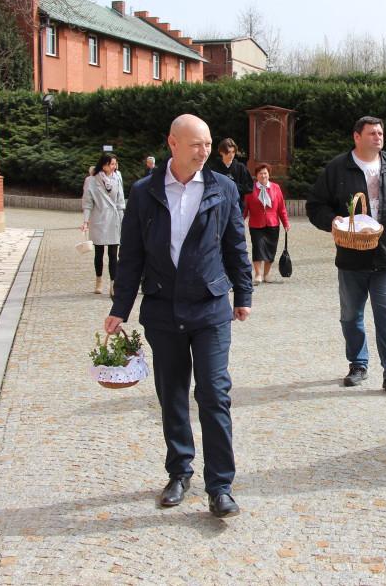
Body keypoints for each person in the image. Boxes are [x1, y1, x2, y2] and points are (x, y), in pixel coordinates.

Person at [105, 114, 253, 519]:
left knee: (214, 394)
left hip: (209, 307)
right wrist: (121, 308)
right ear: (172, 143)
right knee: (171, 396)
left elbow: (236, 245)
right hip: (162, 309)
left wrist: (244, 293)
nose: (205, 152)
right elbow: (130, 254)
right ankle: (179, 472)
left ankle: (220, 486)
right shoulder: (143, 192)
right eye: (196, 145)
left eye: (207, 144)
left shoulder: (223, 188)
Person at [306, 115, 386, 392]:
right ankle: (358, 364)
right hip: (352, 255)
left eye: (380, 132)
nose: (377, 137)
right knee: (351, 314)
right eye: (371, 133)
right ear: (357, 137)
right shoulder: (338, 167)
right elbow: (315, 205)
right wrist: (332, 221)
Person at [82, 152, 125, 295]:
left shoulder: (117, 177)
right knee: (99, 252)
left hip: (114, 219)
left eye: (115, 164)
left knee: (114, 253)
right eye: (111, 164)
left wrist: (122, 219)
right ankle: (98, 281)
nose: (114, 167)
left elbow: (120, 200)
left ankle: (113, 284)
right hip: (99, 219)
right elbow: (87, 202)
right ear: (104, 165)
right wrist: (85, 221)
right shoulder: (92, 180)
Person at [243, 162, 290, 284]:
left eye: (265, 173)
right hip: (256, 224)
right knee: (257, 247)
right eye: (260, 173)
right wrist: (238, 223)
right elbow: (245, 208)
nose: (263, 176)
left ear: (269, 174)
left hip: (273, 223)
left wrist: (285, 223)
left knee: (271, 248)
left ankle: (266, 274)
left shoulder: (276, 188)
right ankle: (258, 274)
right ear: (256, 175)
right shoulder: (250, 188)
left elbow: (281, 207)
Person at [211, 138, 253, 211]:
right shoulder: (214, 169)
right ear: (221, 152)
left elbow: (250, 187)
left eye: (233, 152)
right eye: (228, 152)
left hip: (237, 208)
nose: (231, 155)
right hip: (219, 208)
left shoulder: (241, 168)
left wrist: (233, 186)